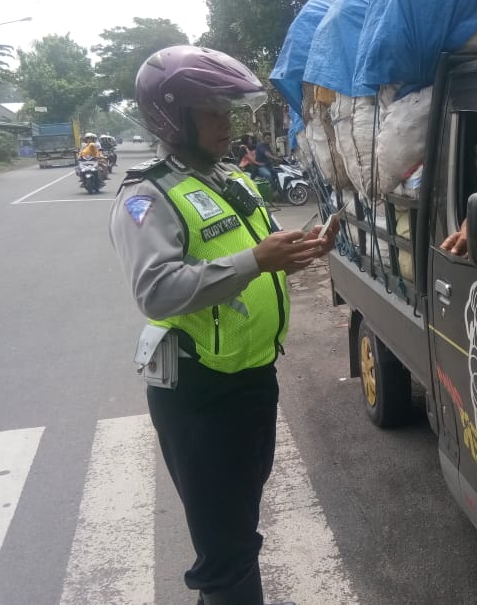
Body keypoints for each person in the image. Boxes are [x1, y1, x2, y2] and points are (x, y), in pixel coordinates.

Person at [108, 45, 337, 605]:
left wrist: (301, 249)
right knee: (225, 549)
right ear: (172, 116)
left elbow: (251, 252)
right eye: (212, 111)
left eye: (227, 110)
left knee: (238, 526)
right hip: (199, 395)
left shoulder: (228, 176)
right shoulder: (147, 195)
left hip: (253, 379)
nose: (226, 123)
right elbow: (155, 290)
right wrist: (256, 261)